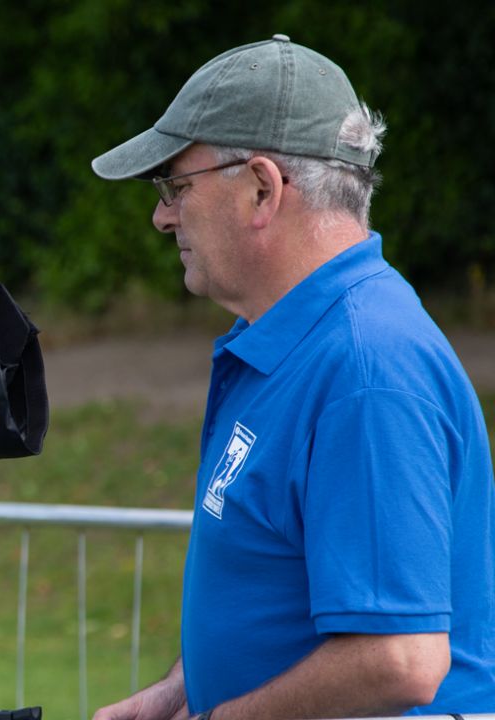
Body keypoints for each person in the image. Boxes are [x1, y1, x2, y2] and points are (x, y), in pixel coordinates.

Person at [89, 36, 495, 719]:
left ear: (260, 189)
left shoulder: (367, 367)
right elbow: (267, 584)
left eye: (176, 186)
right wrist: (177, 692)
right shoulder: (291, 342)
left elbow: (400, 659)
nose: (162, 215)